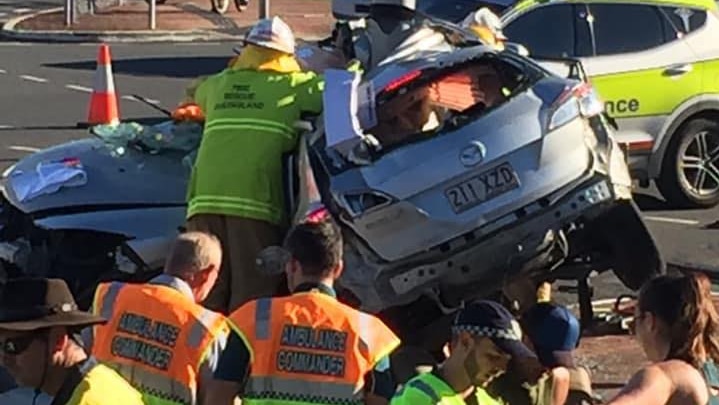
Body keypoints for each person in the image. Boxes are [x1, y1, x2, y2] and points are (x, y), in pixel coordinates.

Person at [185, 16, 325, 314]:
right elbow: (337, 91)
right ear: (288, 56)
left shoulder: (219, 84)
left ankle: (200, 356)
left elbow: (196, 90)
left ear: (245, 50)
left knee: (206, 291)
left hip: (204, 198)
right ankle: (241, 360)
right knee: (251, 295)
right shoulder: (295, 85)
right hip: (254, 201)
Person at [204, 219, 402, 405]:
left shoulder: (255, 318)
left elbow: (220, 394)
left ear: (291, 266)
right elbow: (380, 400)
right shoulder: (369, 332)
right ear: (338, 268)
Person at [85, 231, 230, 405]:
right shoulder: (207, 328)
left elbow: (83, 357)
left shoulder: (110, 297)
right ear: (207, 274)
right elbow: (219, 398)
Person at [0, 277, 144, 405]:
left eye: (12, 346)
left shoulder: (89, 399)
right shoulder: (98, 381)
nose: (3, 360)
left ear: (58, 340)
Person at [391, 300, 538, 405]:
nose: (501, 368)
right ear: (465, 341)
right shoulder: (420, 397)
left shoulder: (486, 401)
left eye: (507, 360)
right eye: (494, 356)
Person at [606, 273, 719, 405]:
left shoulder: (668, 377)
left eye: (634, 323)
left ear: (649, 322)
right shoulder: (712, 372)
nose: (634, 334)